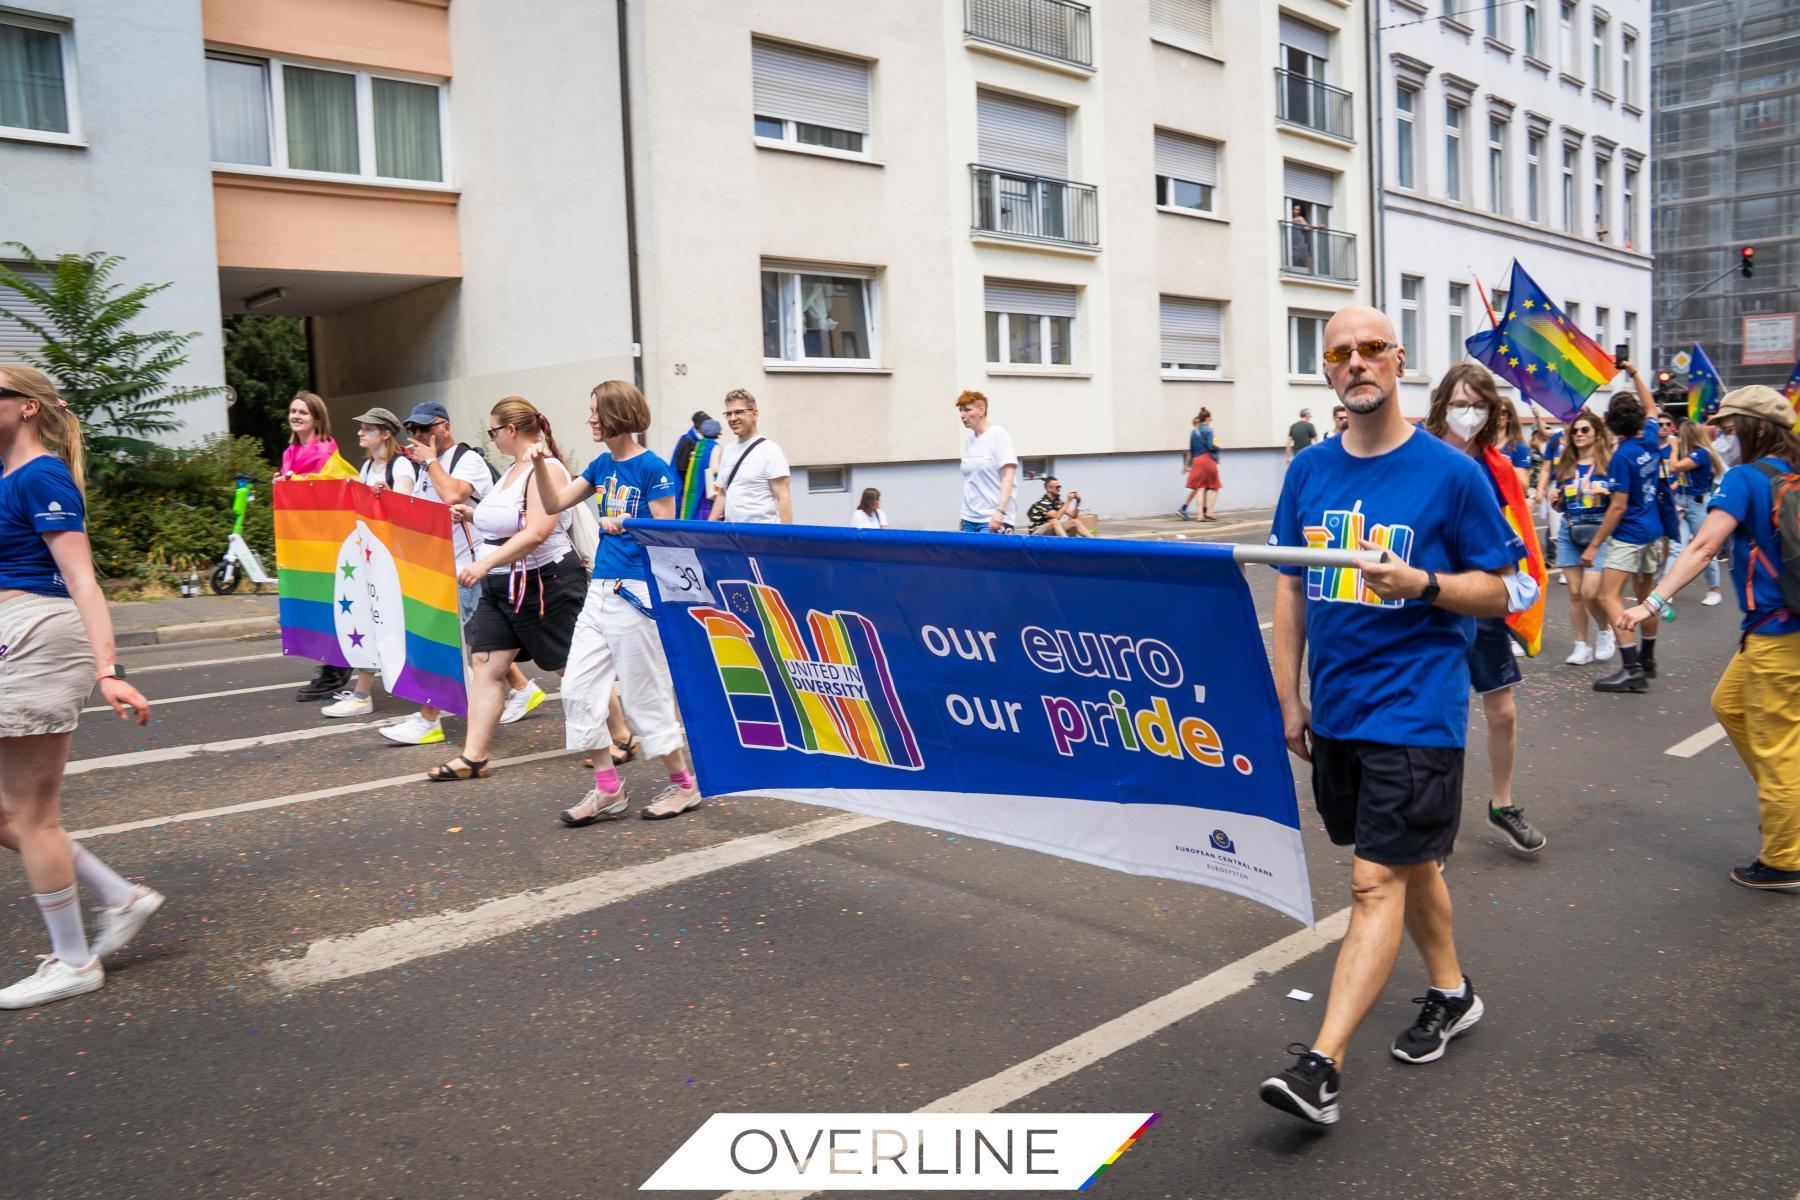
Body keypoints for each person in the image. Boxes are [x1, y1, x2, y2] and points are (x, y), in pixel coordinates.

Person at [1258, 307, 1526, 1128]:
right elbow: (1291, 587)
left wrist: (1427, 586)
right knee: (1406, 862)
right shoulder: (1308, 471)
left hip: (1417, 709)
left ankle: (1320, 1068)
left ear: (1398, 360)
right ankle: (1453, 992)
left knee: (1375, 880)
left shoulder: (1451, 474)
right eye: (1339, 353)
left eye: (1371, 349)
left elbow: (1507, 588)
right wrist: (1288, 697)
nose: (1355, 363)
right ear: (1327, 370)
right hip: (1336, 708)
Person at [0, 364, 160, 1009]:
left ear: (27, 407)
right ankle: (120, 896)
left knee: (31, 817)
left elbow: (82, 578)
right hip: (10, 633)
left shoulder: (42, 475)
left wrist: (108, 671)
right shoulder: (8, 475)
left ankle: (73, 961)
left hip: (39, 634)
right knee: (9, 815)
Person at [1616, 385, 1800, 890]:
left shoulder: (1745, 478)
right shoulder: (1791, 473)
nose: (1720, 433)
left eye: (1729, 425)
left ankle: (1786, 859)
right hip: (1779, 632)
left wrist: (1653, 602)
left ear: (1756, 430)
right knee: (1730, 705)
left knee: (1779, 746)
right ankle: (1790, 806)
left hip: (1777, 633)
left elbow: (1701, 546)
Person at [532, 381, 703, 823]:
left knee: (645, 696)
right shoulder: (600, 464)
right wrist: (539, 467)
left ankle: (684, 785)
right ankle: (608, 789)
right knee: (577, 689)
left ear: (617, 415)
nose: (589, 418)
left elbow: (668, 527)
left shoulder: (652, 467)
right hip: (600, 592)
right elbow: (555, 504)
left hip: (637, 593)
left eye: (596, 411)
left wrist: (625, 521)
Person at [1424, 364, 1548, 855]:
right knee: (1435, 719)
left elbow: (1515, 542)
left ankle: (1502, 804)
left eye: (1478, 405)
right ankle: (1433, 829)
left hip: (1483, 603)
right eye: (1459, 404)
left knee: (1503, 713)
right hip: (1428, 602)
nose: (1468, 414)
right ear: (1441, 407)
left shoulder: (1498, 469)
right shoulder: (1422, 459)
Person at [429, 397, 586, 781]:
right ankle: (474, 757)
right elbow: (507, 519)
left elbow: (537, 531)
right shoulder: (512, 471)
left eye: (494, 431)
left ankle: (619, 735)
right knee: (486, 666)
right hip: (504, 586)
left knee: (572, 665)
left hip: (544, 582)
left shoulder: (545, 469)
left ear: (511, 431)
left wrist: (483, 563)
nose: (493, 438)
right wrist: (472, 515)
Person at [378, 402, 546, 746]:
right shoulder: (426, 468)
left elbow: (454, 493)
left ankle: (430, 719)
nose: (418, 436)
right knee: (480, 644)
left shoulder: (467, 460)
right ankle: (523, 688)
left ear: (444, 427)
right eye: (413, 431)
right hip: (447, 569)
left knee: (447, 642)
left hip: (475, 567)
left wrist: (429, 461)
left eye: (425, 429)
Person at [320, 407, 418, 719]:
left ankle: (464, 682)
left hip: (394, 564)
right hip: (369, 560)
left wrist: (387, 496)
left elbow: (404, 511)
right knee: (368, 623)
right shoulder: (366, 467)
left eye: (368, 429)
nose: (360, 434)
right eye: (361, 429)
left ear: (386, 433)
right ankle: (362, 694)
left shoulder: (401, 466)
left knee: (403, 627)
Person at [1586, 366, 1665, 692]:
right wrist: (1633, 373)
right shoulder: (1650, 437)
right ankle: (1648, 659)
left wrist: (1594, 544)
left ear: (1613, 425)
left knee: (1607, 596)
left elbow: (1618, 507)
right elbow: (1651, 407)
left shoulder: (1623, 455)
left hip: (1630, 533)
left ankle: (1631, 667)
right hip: (1652, 529)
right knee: (1647, 597)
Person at [281, 391, 355, 701]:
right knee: (315, 599)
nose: (296, 416)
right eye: (293, 411)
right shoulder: (290, 451)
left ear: (316, 419)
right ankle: (334, 662)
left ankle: (338, 666)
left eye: (303, 412)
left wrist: (292, 483)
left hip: (327, 539)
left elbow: (327, 489)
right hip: (305, 540)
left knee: (330, 600)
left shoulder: (326, 450)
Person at [1549, 412, 1617, 664]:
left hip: (1599, 529)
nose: (1578, 434)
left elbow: (1620, 501)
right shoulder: (1566, 465)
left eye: (1585, 430)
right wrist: (1556, 502)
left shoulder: (1609, 464)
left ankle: (1604, 631)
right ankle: (1581, 645)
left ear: (1597, 434)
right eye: (1575, 431)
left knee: (1591, 593)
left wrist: (1606, 489)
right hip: (1570, 529)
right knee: (1575, 593)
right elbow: (1562, 505)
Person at [711, 389, 792, 524]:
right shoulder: (728, 450)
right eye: (728, 413)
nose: (732, 418)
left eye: (738, 412)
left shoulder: (771, 450)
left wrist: (786, 539)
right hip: (733, 537)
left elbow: (783, 498)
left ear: (754, 414)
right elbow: (723, 493)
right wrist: (709, 529)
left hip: (762, 537)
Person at [1667, 419, 1725, 607]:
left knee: (1706, 549)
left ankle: (1714, 589)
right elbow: (1679, 476)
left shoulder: (1701, 454)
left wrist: (1673, 447)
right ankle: (1666, 590)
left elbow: (1675, 466)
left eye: (1680, 435)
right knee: (1676, 548)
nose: (1677, 438)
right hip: (1681, 503)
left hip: (1697, 505)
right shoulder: (1693, 454)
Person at [955, 390, 1018, 533]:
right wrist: (964, 516)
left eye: (967, 410)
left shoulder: (998, 434)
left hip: (993, 518)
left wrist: (1000, 511)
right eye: (960, 410)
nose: (962, 415)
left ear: (981, 410)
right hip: (969, 517)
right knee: (966, 556)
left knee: (992, 556)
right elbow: (971, 480)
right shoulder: (969, 440)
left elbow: (1008, 475)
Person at [1179, 409, 1221, 521]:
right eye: (1210, 419)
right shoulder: (1209, 430)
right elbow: (1211, 447)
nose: (1211, 421)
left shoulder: (1193, 432)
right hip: (1207, 459)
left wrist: (1188, 465)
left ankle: (1200, 515)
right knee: (1215, 487)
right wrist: (1217, 445)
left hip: (1197, 460)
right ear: (1206, 419)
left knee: (1200, 488)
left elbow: (1191, 450)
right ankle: (1210, 511)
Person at [678, 417, 721, 520]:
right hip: (705, 488)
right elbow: (714, 468)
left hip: (692, 486)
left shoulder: (698, 445)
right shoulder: (716, 447)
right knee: (704, 512)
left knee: (692, 509)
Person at [1027, 476, 1094, 537]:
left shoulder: (1058, 502)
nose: (1059, 489)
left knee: (1074, 522)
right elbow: (1056, 516)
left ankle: (1094, 542)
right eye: (1057, 487)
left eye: (1060, 487)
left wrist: (1078, 502)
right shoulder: (1043, 502)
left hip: (1050, 529)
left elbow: (1074, 515)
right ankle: (1067, 544)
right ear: (1049, 488)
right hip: (1035, 533)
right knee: (1055, 521)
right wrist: (1068, 500)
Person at [670, 410, 709, 494]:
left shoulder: (702, 441)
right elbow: (682, 468)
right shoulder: (686, 440)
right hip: (681, 490)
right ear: (698, 425)